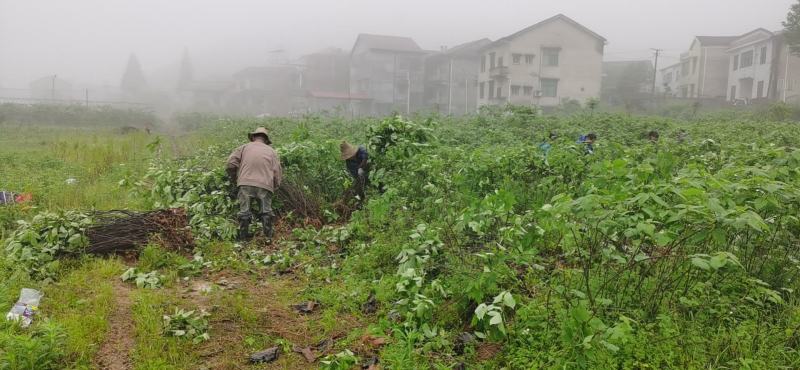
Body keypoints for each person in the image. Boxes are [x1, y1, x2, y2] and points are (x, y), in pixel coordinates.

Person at [226, 127, 283, 241]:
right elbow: (277, 172)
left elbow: (230, 164)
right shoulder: (272, 152)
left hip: (245, 183)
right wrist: (275, 186)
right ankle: (268, 238)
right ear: (266, 140)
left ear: (253, 137)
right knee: (266, 212)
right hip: (265, 185)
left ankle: (243, 239)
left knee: (244, 212)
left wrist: (235, 178)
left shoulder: (244, 147)